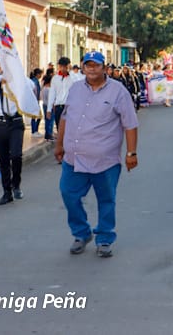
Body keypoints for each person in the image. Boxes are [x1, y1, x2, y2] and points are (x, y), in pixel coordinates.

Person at [56, 51, 139, 258]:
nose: (91, 69)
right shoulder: (75, 89)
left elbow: (130, 124)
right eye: (88, 65)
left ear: (104, 68)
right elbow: (65, 118)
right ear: (83, 67)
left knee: (106, 200)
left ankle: (104, 238)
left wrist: (131, 152)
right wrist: (59, 145)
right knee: (68, 194)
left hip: (105, 161)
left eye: (96, 65)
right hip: (73, 159)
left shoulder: (118, 91)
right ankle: (81, 233)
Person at [0, 62, 29, 206]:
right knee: (3, 160)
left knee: (16, 155)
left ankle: (16, 184)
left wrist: (13, 79)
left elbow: (30, 87)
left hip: (15, 123)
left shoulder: (20, 80)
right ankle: (6, 192)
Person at [46, 57, 82, 136]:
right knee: (60, 129)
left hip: (69, 107)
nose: (63, 69)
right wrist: (49, 109)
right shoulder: (55, 79)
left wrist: (71, 72)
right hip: (58, 106)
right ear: (59, 66)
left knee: (69, 129)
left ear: (68, 66)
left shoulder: (72, 78)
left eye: (65, 66)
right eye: (61, 66)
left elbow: (78, 87)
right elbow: (52, 94)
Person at [29, 68, 44, 137]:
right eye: (40, 74)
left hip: (35, 101)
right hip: (33, 101)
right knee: (34, 116)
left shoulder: (36, 81)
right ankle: (34, 131)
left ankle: (35, 130)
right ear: (37, 74)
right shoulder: (34, 81)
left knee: (37, 116)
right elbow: (34, 91)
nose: (41, 75)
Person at [41, 74, 55, 141]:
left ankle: (48, 134)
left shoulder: (43, 89)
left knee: (47, 120)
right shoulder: (49, 89)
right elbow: (50, 99)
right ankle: (49, 134)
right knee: (50, 120)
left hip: (44, 105)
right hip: (49, 106)